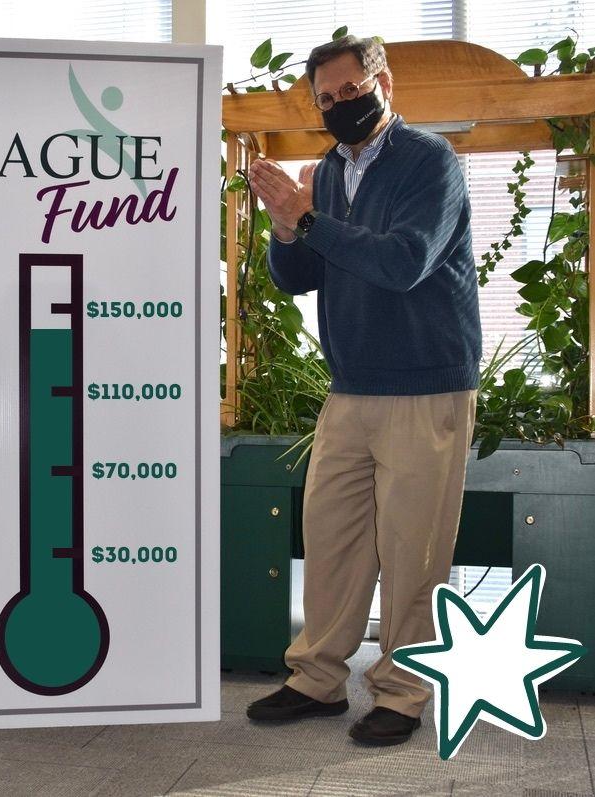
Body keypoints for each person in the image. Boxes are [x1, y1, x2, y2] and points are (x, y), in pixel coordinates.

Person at [244, 36, 481, 746]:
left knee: (414, 550)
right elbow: (297, 277)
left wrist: (308, 219)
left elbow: (405, 261)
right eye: (327, 98)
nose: (340, 105)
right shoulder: (324, 171)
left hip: (424, 385)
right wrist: (286, 229)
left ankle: (403, 691)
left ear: (384, 83)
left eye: (351, 90)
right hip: (350, 387)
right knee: (331, 539)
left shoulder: (430, 161)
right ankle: (317, 677)